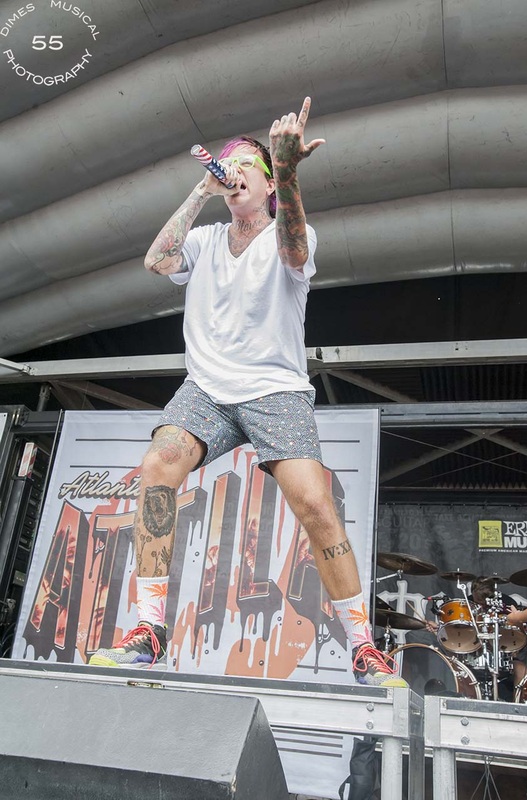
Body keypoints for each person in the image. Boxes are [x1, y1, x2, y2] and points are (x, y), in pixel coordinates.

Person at [89, 97, 406, 688]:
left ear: (267, 184)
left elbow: (295, 250)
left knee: (315, 504)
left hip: (274, 391)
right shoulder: (206, 239)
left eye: (246, 166)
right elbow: (157, 260)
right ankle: (149, 629)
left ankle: (363, 646)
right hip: (207, 389)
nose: (232, 171)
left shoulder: (291, 232)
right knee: (157, 464)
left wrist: (285, 169)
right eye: (226, 163)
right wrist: (200, 191)